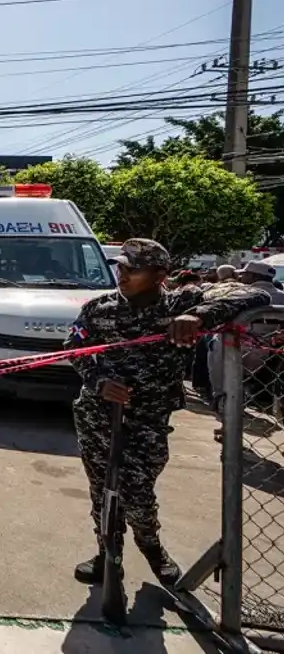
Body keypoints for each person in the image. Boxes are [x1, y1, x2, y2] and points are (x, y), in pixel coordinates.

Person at [64, 238, 269, 587]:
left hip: (149, 418)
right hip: (98, 415)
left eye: (133, 269)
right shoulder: (99, 309)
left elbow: (254, 295)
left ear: (160, 275)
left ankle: (152, 549)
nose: (122, 274)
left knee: (139, 494)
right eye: (121, 266)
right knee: (102, 491)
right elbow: (74, 347)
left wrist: (198, 315)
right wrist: (98, 379)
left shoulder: (180, 302)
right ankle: (106, 554)